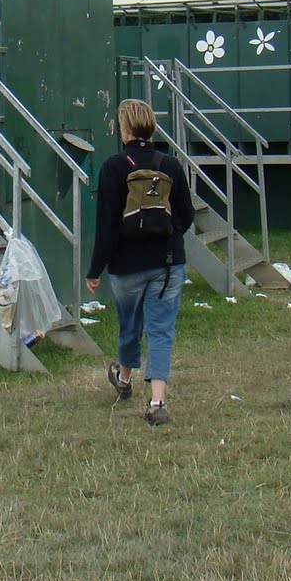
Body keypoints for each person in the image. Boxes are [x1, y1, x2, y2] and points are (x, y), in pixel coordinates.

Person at [85, 98, 193, 426]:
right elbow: (186, 215)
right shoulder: (171, 165)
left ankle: (124, 378)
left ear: (125, 127)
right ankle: (157, 402)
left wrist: (95, 270)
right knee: (161, 330)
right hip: (168, 264)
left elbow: (106, 227)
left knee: (130, 325)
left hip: (126, 265)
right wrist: (168, 235)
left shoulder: (114, 167)